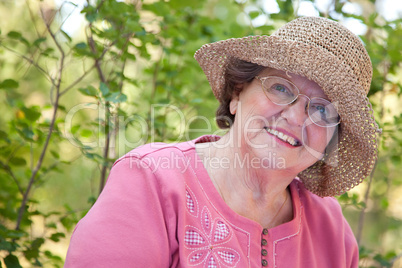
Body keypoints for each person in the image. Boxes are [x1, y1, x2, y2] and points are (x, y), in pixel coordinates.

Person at [64, 16, 381, 267]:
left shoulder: (331, 230)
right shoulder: (152, 180)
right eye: (281, 88)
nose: (297, 118)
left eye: (323, 109)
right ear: (237, 93)